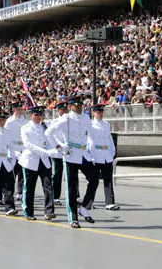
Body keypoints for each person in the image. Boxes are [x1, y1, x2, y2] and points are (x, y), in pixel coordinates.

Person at [45, 95, 99, 229]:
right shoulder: (66, 119)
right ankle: (73, 217)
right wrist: (59, 146)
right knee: (71, 187)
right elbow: (49, 133)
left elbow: (90, 134)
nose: (80, 107)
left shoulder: (86, 118)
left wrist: (92, 150)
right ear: (71, 106)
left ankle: (85, 207)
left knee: (94, 178)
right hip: (70, 155)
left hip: (84, 154)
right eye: (77, 105)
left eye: (81, 105)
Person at [20, 106, 59, 220]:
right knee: (30, 187)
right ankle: (29, 212)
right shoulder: (25, 127)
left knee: (48, 186)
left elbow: (50, 141)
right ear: (31, 115)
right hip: (31, 160)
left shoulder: (45, 126)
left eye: (40, 115)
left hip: (44, 160)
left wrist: (53, 150)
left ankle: (49, 211)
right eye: (36, 115)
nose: (38, 117)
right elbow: (28, 145)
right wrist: (45, 152)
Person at [88, 104, 119, 210]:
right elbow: (88, 140)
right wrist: (89, 155)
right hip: (95, 155)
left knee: (108, 180)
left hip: (106, 155)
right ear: (93, 113)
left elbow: (109, 138)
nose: (100, 114)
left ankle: (110, 202)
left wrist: (112, 152)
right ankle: (89, 202)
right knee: (93, 180)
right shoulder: (90, 125)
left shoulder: (106, 124)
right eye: (97, 112)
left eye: (101, 112)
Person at [46, 100, 68, 206]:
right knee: (57, 175)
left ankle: (75, 196)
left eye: (65, 109)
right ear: (58, 110)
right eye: (61, 109)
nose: (63, 111)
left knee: (71, 175)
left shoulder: (70, 121)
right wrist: (59, 146)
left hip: (70, 151)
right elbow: (52, 135)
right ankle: (55, 196)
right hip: (59, 151)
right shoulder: (55, 122)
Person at [5, 102, 28, 201]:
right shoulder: (9, 122)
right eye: (17, 109)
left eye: (21, 109)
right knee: (12, 173)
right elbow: (6, 136)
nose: (20, 111)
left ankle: (20, 192)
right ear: (13, 110)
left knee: (22, 173)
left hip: (23, 148)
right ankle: (9, 192)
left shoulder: (26, 121)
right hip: (13, 149)